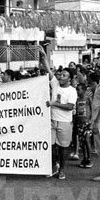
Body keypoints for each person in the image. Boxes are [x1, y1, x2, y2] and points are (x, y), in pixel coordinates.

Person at [40, 47, 77, 180]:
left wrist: (54, 103)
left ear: (70, 79)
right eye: (61, 74)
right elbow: (48, 70)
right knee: (50, 146)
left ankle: (61, 169)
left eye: (64, 75)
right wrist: (44, 56)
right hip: (52, 120)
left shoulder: (72, 91)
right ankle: (53, 166)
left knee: (62, 147)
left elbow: (69, 107)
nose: (61, 76)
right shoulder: (55, 84)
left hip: (64, 122)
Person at [75, 83, 92, 168]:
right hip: (80, 122)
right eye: (77, 89)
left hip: (87, 122)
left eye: (79, 89)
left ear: (84, 90)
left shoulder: (88, 98)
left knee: (87, 140)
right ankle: (85, 157)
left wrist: (92, 121)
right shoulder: (77, 100)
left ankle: (89, 158)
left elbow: (92, 109)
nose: (77, 91)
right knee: (82, 142)